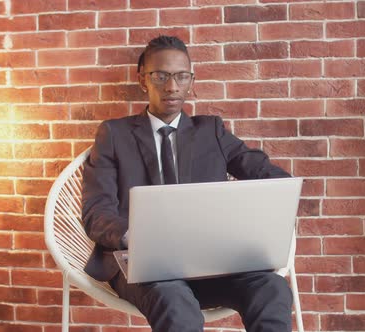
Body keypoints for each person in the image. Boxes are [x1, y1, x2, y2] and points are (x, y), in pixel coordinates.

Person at [82, 35, 294, 332]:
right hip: (146, 270)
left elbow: (267, 177)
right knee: (173, 298)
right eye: (161, 76)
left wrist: (279, 199)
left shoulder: (212, 132)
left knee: (271, 288)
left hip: (212, 264)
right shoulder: (114, 135)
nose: (172, 87)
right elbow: (96, 211)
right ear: (143, 80)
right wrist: (137, 238)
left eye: (182, 76)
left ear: (190, 79)